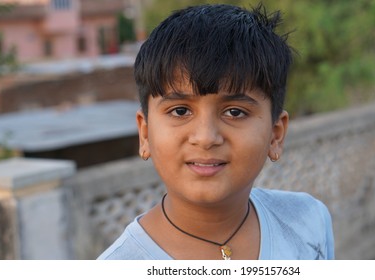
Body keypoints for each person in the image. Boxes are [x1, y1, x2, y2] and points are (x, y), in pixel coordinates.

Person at [98, 3, 334, 260]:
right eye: (180, 111)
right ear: (145, 133)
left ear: (275, 135)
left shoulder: (308, 222)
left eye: (235, 112)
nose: (206, 137)